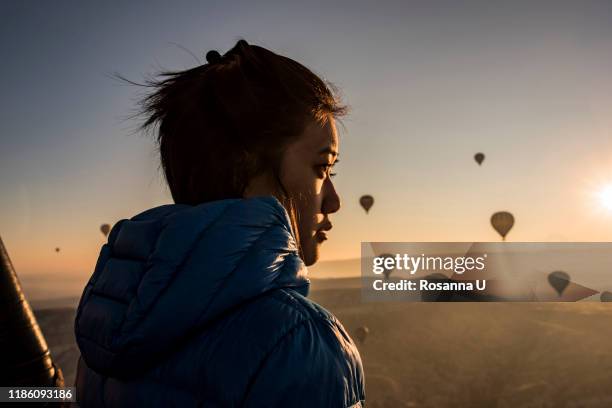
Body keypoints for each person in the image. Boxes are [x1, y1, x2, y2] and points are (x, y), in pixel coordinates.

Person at [74, 39, 365, 407]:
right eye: (322, 167)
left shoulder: (103, 326)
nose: (335, 202)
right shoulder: (297, 342)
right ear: (246, 166)